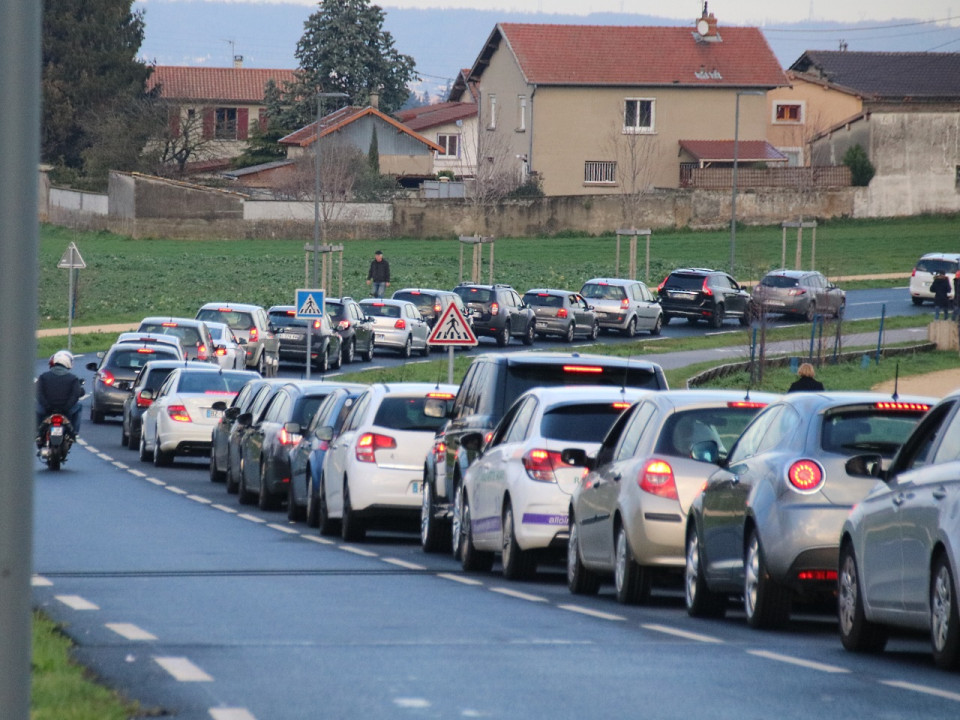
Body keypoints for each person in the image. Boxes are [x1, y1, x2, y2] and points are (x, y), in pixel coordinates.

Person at [36, 350, 84, 439]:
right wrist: (66, 407)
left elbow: (38, 393)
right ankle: (74, 432)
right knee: (79, 406)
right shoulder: (73, 379)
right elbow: (75, 396)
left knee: (35, 407)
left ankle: (37, 432)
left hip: (47, 410)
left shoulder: (44, 376)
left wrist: (47, 406)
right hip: (66, 410)